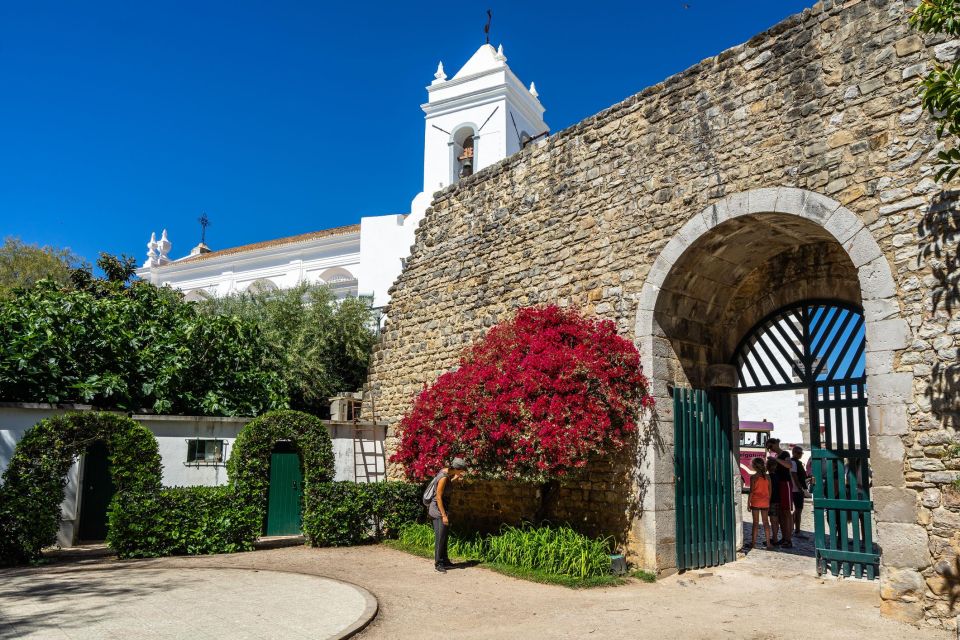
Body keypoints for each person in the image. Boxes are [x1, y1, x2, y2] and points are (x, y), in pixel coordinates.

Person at [423, 457, 468, 573]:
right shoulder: (443, 477)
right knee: (440, 537)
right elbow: (438, 496)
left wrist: (454, 479)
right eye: (462, 470)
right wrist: (443, 515)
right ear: (457, 468)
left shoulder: (446, 473)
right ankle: (438, 563)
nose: (463, 472)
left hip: (441, 509)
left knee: (444, 536)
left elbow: (445, 487)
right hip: (437, 510)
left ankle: (445, 560)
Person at [739, 457, 773, 550]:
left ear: (754, 466)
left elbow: (751, 491)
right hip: (765, 502)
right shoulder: (768, 477)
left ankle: (753, 543)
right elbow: (770, 491)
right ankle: (769, 544)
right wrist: (768, 501)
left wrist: (748, 503)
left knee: (755, 523)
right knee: (766, 522)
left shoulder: (753, 477)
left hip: (755, 502)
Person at [766, 438, 794, 549]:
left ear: (776, 444)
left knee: (786, 512)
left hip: (785, 484)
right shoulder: (777, 456)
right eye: (768, 448)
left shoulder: (785, 453)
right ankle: (784, 538)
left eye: (771, 446)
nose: (770, 449)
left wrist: (776, 460)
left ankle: (788, 539)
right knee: (781, 513)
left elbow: (789, 465)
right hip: (779, 486)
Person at [791, 445, 809, 539]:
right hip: (796, 490)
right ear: (794, 452)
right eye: (798, 453)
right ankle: (796, 530)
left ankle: (791, 528)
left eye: (801, 453)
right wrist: (799, 488)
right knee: (798, 510)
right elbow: (794, 475)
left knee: (797, 510)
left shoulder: (797, 462)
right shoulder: (794, 462)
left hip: (796, 489)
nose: (800, 454)